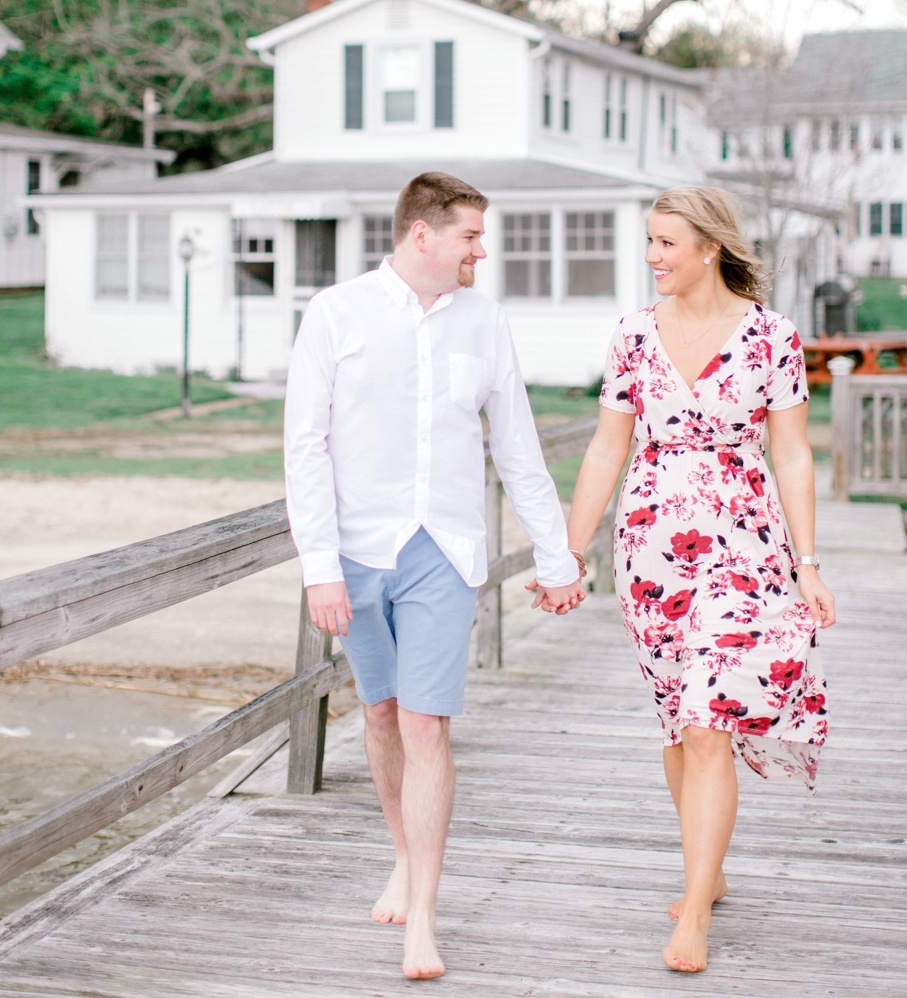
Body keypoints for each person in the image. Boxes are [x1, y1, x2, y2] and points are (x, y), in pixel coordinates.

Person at [284, 172, 586, 980]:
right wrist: (319, 569)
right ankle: (403, 856)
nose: (481, 251)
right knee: (379, 717)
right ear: (423, 234)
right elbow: (303, 448)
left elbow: (518, 448)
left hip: (444, 554)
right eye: (470, 237)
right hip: (354, 554)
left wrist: (555, 559)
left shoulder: (485, 323)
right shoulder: (335, 315)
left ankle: (424, 916)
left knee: (426, 725)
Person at [560, 186, 836, 973]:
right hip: (652, 549)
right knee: (680, 724)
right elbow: (607, 452)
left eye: (665, 244)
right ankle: (705, 874)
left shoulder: (771, 337)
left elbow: (791, 454)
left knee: (712, 719)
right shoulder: (634, 338)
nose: (651, 258)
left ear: (709, 246)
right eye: (648, 242)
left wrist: (808, 565)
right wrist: (570, 552)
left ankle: (694, 921)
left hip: (746, 545)